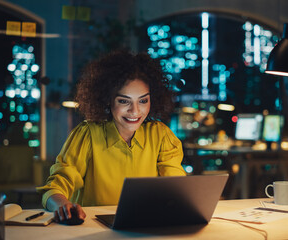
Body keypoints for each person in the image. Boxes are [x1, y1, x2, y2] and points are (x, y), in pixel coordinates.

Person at [37, 50, 186, 223]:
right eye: (124, 101)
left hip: (146, 229)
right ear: (108, 100)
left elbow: (176, 187)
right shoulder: (87, 135)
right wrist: (62, 205)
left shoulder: (161, 135)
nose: (135, 111)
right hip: (94, 231)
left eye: (143, 101)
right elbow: (58, 184)